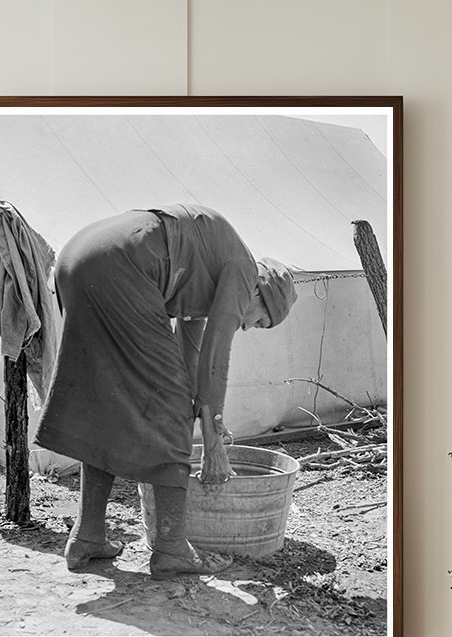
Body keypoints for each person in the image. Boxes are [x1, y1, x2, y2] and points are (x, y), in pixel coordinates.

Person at [35, 203, 297, 578]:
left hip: (78, 260)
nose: (249, 327)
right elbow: (216, 355)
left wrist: (202, 410)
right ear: (260, 293)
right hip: (121, 267)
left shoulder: (206, 273)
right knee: (169, 406)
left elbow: (189, 356)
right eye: (260, 321)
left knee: (106, 402)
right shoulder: (244, 270)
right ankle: (172, 548)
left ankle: (87, 535)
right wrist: (212, 441)